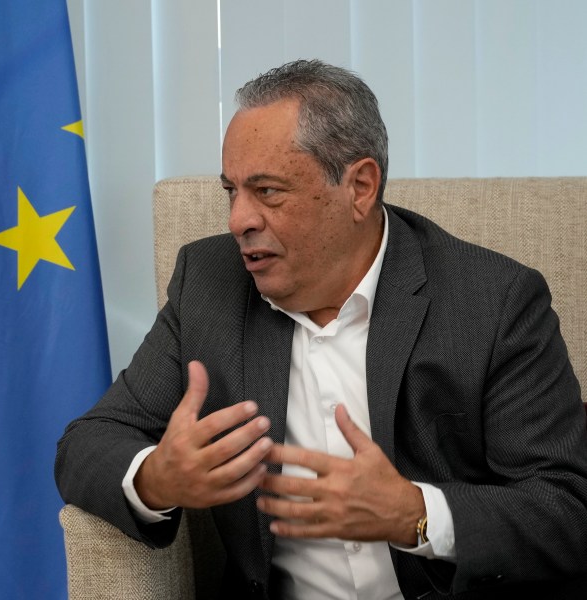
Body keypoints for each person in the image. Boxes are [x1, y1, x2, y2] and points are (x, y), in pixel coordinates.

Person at [54, 59, 587, 599]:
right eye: (231, 190)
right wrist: (156, 478)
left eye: (267, 191)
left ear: (360, 186)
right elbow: (86, 443)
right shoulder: (209, 286)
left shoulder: (492, 301)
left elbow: (567, 508)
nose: (239, 220)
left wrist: (416, 515)